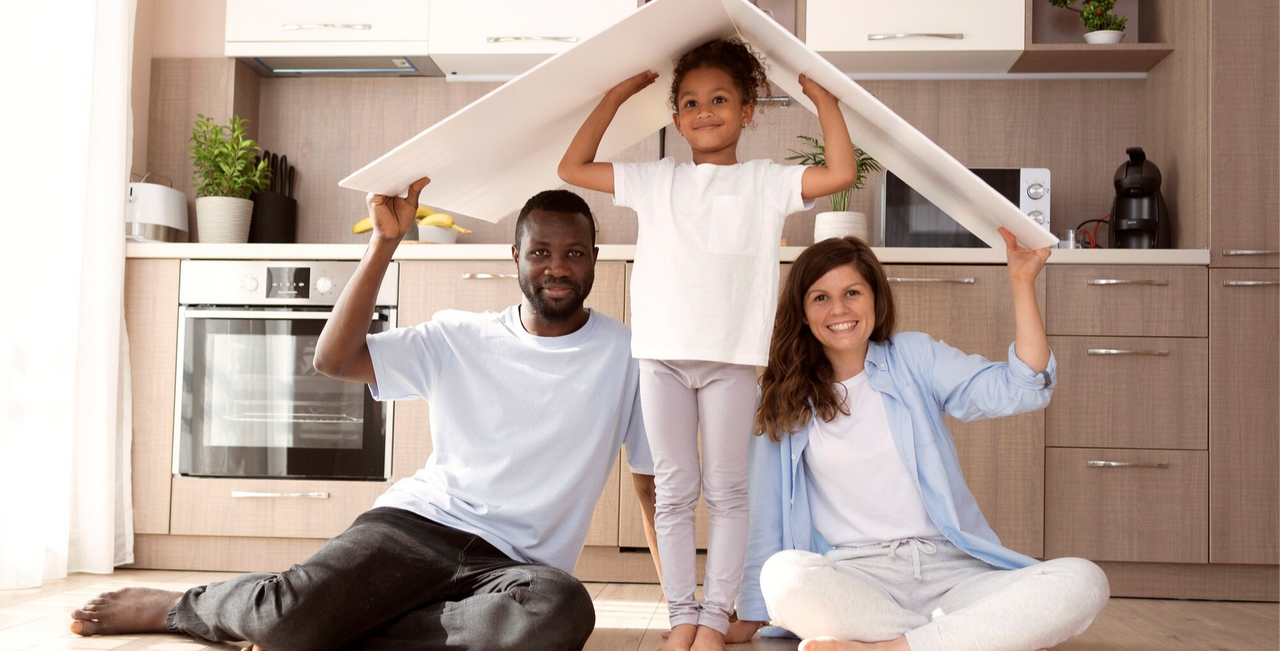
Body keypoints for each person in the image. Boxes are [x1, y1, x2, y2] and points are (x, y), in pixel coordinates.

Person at [69, 180, 659, 651]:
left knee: (562, 613)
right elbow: (334, 359)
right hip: (416, 528)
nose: (557, 267)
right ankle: (183, 607)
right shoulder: (460, 335)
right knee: (285, 616)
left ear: (595, 261)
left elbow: (652, 482)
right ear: (515, 258)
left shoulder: (629, 354)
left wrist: (686, 603)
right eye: (541, 252)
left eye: (574, 253)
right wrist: (384, 242)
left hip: (517, 572)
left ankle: (331, 633)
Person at [558, 38, 857, 651]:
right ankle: (680, 617)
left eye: (720, 99)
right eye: (690, 102)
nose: (705, 111)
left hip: (731, 359)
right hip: (662, 355)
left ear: (748, 111)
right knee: (673, 491)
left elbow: (842, 173)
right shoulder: (656, 178)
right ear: (675, 119)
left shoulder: (767, 183)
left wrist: (823, 98)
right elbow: (573, 167)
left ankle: (716, 618)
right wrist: (616, 96)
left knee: (726, 492)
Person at [728, 232, 1110, 651]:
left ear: (875, 298)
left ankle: (895, 647)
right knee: (782, 575)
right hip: (858, 579)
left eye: (852, 292)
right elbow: (765, 511)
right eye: (821, 298)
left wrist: (1022, 281)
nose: (839, 309)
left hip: (953, 573)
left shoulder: (913, 357)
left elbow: (1021, 386)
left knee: (1084, 580)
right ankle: (965, 638)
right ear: (802, 312)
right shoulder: (782, 395)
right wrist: (750, 614)